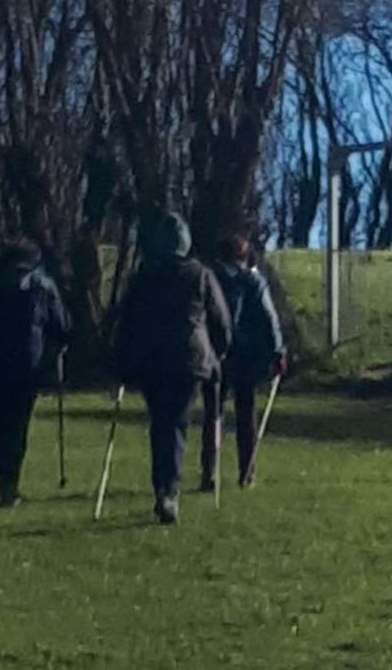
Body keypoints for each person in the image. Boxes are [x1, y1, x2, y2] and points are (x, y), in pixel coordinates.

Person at [111, 211, 231, 523]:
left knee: (161, 424)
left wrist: (121, 360)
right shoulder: (200, 274)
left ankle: (164, 488)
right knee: (176, 423)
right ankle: (169, 492)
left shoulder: (144, 275)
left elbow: (127, 321)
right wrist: (217, 352)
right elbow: (220, 320)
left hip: (152, 360)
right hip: (189, 360)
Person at [0, 238, 71, 508]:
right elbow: (61, 324)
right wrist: (59, 348)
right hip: (27, 366)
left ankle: (4, 480)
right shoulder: (42, 284)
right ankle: (11, 483)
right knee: (19, 424)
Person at [203, 228, 289, 492]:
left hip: (216, 352)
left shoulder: (210, 279)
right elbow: (269, 318)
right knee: (245, 413)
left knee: (213, 413)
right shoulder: (253, 280)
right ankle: (247, 471)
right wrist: (278, 351)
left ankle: (209, 471)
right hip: (246, 356)